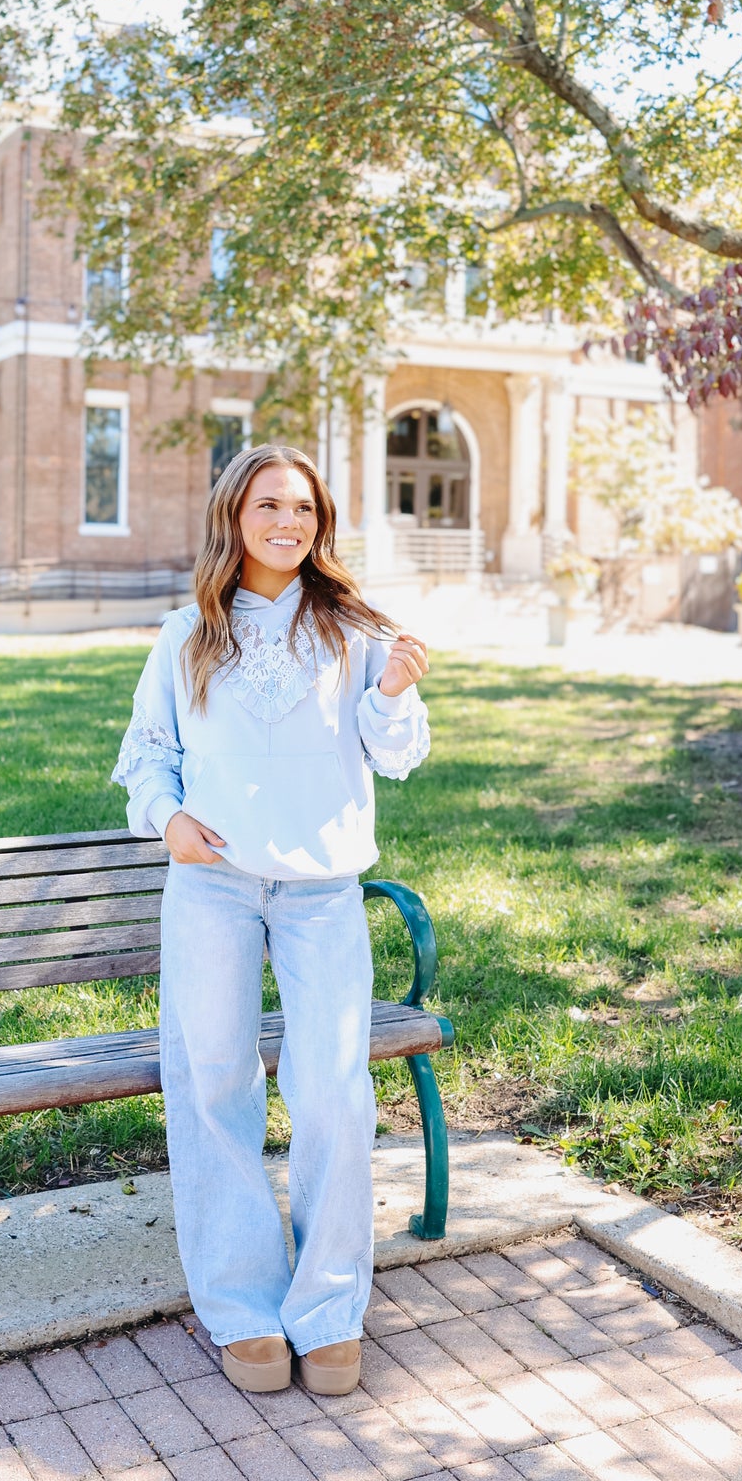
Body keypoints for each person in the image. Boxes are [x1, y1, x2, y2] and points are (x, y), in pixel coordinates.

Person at [112, 442, 431, 1397]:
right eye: (267, 506)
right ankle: (242, 1307)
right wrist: (166, 818)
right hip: (210, 886)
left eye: (302, 508)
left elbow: (397, 754)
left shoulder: (353, 632)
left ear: (320, 521)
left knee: (332, 1091)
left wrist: (393, 692)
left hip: (322, 892)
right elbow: (146, 754)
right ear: (233, 517)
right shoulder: (185, 635)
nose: (286, 522)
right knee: (212, 1085)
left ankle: (327, 1307)